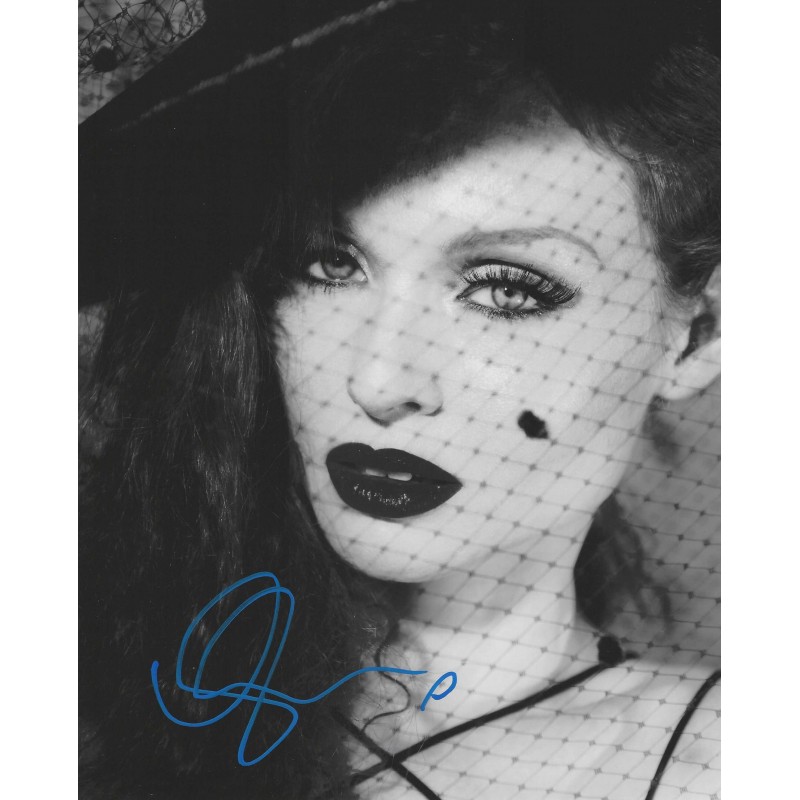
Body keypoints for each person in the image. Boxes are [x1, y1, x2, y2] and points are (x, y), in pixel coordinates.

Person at [79, 1, 721, 798]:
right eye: (330, 265)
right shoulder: (101, 700)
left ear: (699, 336)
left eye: (506, 290)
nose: (380, 380)